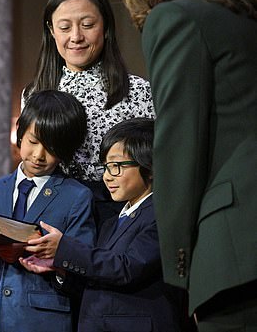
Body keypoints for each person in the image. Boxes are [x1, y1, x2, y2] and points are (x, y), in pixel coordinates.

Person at [112, 0, 257, 330]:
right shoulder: (243, 22)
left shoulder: (174, 18)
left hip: (233, 257)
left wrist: (181, 276)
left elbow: (179, 148)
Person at [21, 118, 186, 331]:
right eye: (106, 167)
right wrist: (60, 269)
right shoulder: (110, 223)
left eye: (117, 166)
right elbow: (98, 278)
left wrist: (64, 247)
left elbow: (127, 268)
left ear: (152, 167)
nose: (107, 177)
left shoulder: (163, 214)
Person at [22, 0, 155, 230]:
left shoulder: (138, 91)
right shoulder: (34, 93)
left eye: (87, 25)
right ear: (51, 31)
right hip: (52, 213)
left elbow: (153, 169)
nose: (76, 37)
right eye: (64, 27)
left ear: (105, 26)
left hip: (117, 217)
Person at [0, 90, 95, 332]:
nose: (39, 155)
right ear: (20, 134)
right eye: (33, 142)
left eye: (50, 147)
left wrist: (56, 263)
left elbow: (85, 266)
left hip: (46, 321)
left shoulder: (76, 196)